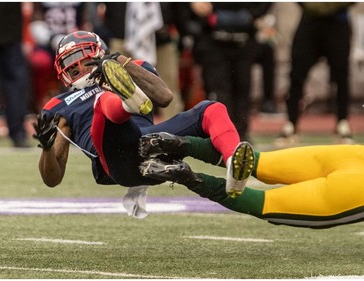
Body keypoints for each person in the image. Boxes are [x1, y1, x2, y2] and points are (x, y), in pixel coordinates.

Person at [32, 30, 252, 218]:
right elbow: (52, 180)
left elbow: (165, 97)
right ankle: (128, 103)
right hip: (115, 159)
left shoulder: (131, 66)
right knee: (104, 101)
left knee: (211, 109)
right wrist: (48, 149)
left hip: (153, 142)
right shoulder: (59, 106)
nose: (79, 69)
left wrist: (120, 63)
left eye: (84, 60)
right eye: (72, 68)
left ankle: (234, 163)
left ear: (100, 53)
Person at [140, 132, 364, 229]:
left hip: (354, 156)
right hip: (356, 187)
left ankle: (181, 143)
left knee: (258, 162)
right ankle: (188, 177)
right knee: (267, 203)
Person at [175, 3, 272, 141]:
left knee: (242, 87)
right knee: (218, 90)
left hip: (243, 38)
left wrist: (251, 14)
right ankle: (222, 134)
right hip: (212, 37)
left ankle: (241, 135)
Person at [276, 3, 355, 146]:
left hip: (338, 21)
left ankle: (342, 122)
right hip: (310, 19)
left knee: (341, 74)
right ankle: (291, 123)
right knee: (297, 73)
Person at [0, 3, 30, 147]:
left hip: (11, 29)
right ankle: (18, 133)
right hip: (10, 27)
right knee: (15, 82)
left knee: (16, 84)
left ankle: (18, 132)